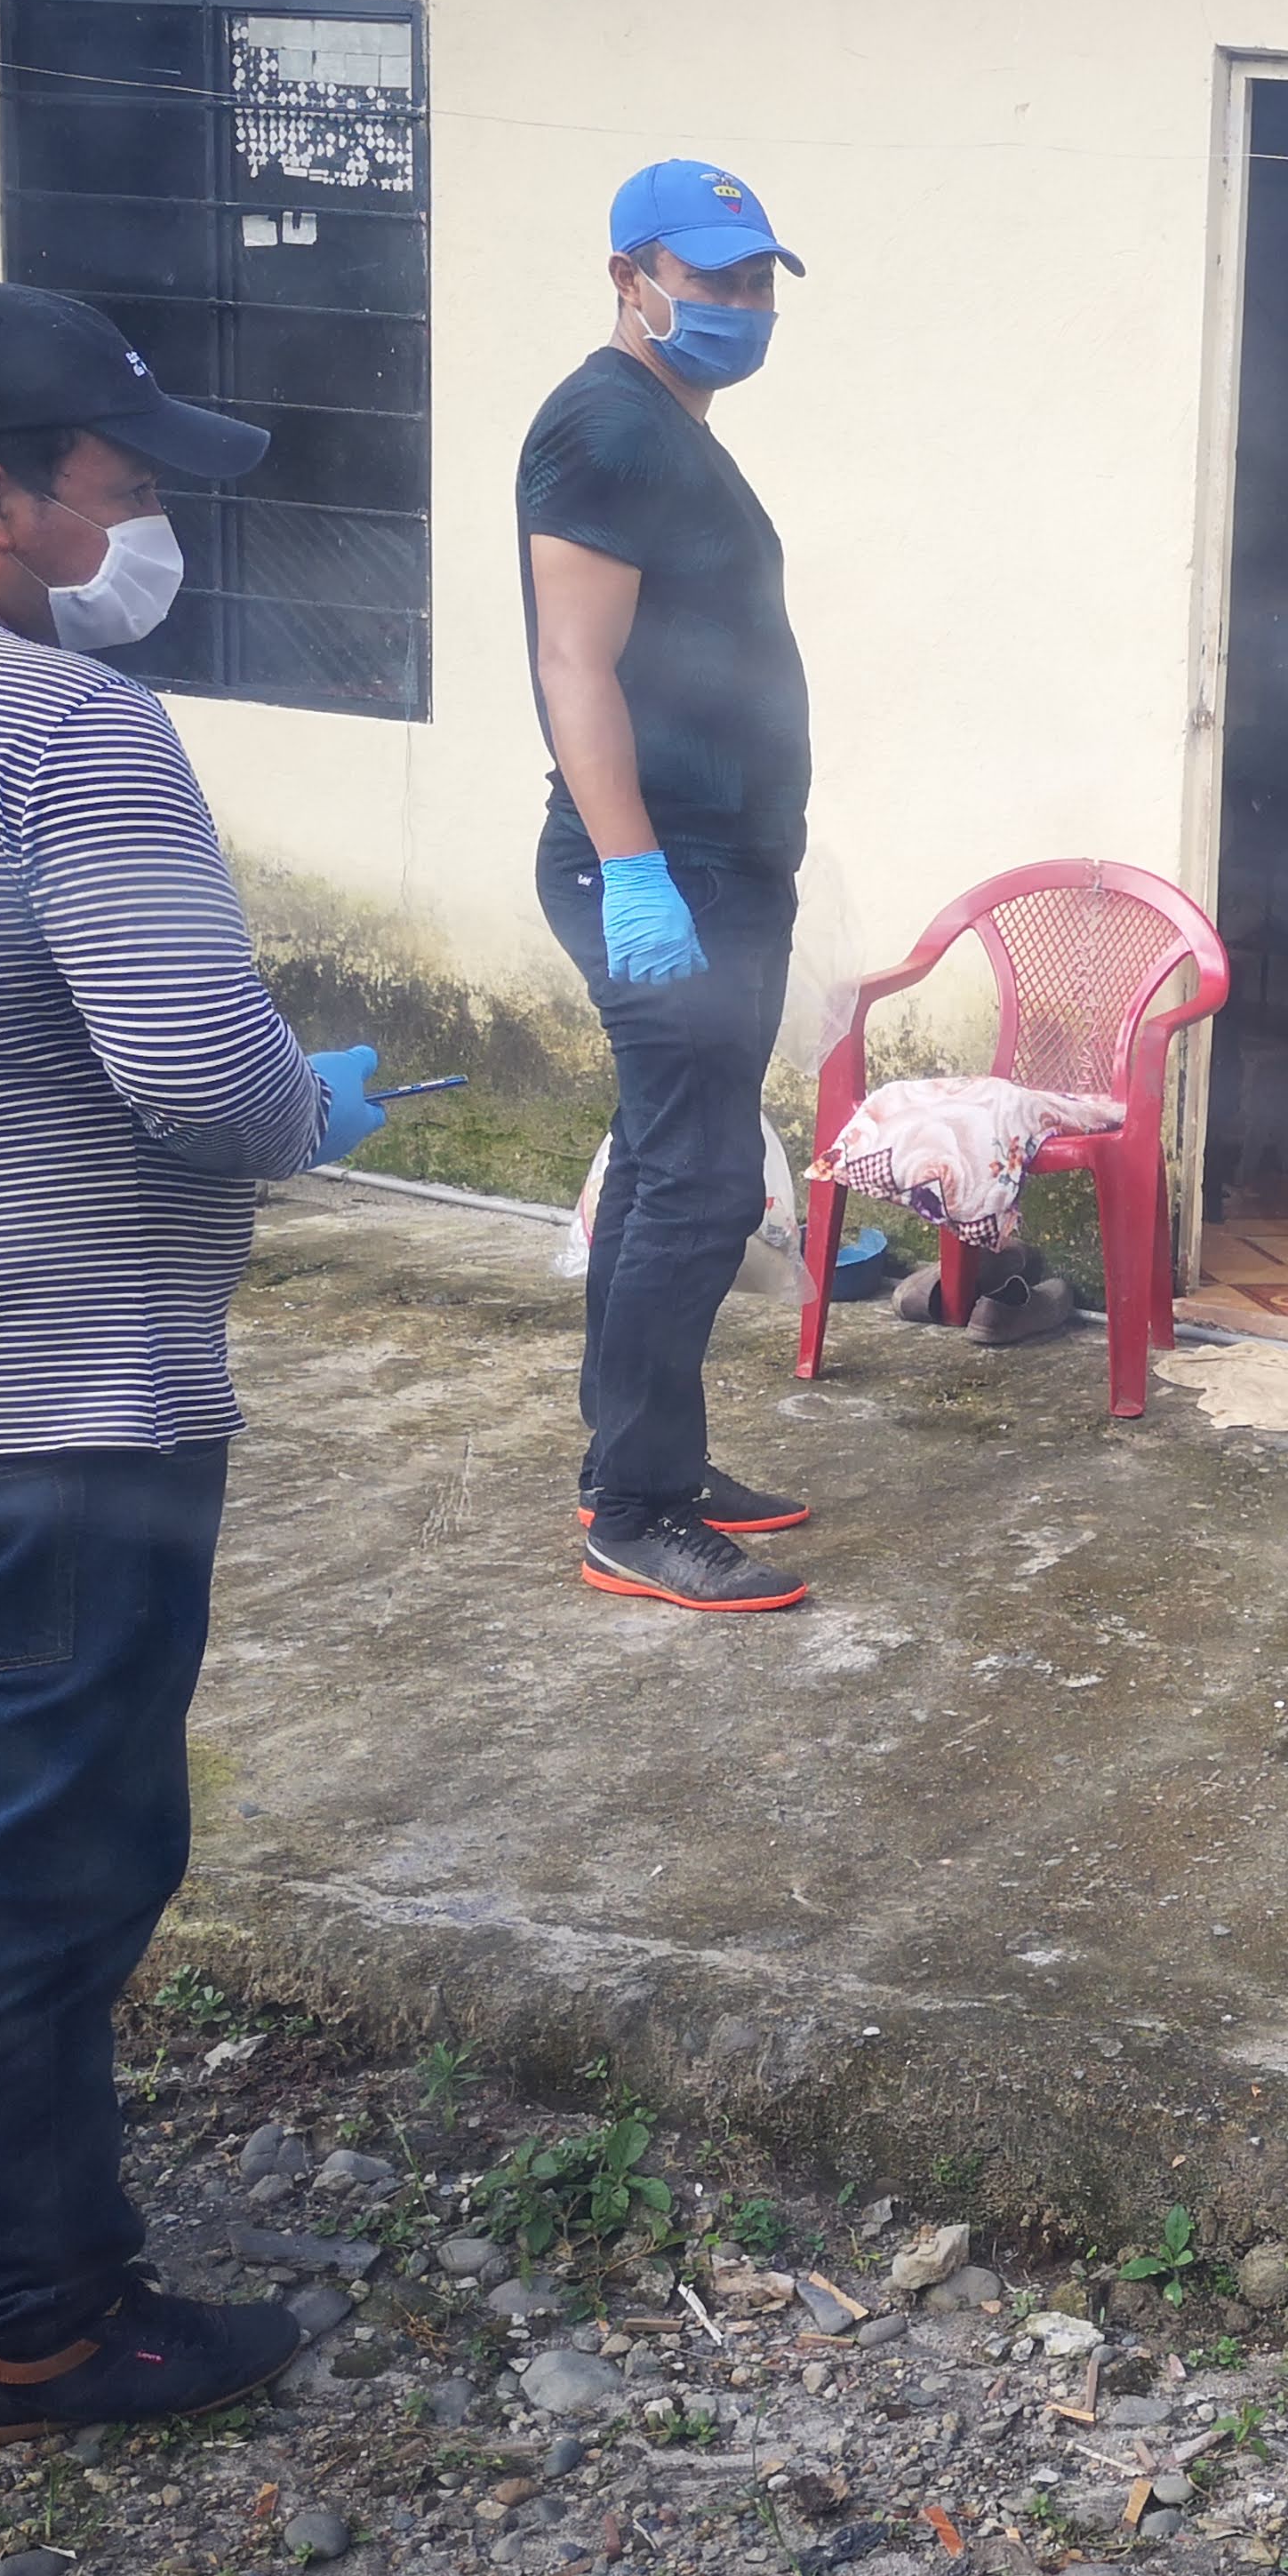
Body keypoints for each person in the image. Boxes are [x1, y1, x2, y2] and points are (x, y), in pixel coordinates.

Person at [0, 279, 387, 2440]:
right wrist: (302, 1101)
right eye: (116, 487)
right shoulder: (62, 727)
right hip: (38, 1412)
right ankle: (27, 2322)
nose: (141, 530)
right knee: (26, 1875)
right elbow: (192, 1075)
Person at [520, 159, 818, 1613]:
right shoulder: (603, 424)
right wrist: (636, 870)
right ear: (630, 277)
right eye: (713, 278)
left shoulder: (667, 426)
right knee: (698, 1181)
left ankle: (638, 1467)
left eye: (758, 280)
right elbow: (573, 663)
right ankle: (634, 1513)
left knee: (661, 1164)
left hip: (717, 862)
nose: (742, 304)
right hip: (661, 867)